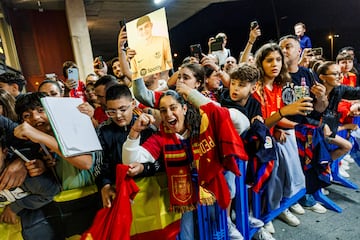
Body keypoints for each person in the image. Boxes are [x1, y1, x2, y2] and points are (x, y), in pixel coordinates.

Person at [123, 88, 249, 240]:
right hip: (185, 196)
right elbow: (130, 161)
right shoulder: (162, 137)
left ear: (184, 108)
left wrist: (195, 97)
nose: (168, 114)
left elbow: (242, 122)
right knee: (186, 235)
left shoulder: (205, 124)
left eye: (173, 107)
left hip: (211, 189)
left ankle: (227, 225)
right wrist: (135, 131)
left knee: (216, 227)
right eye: (163, 110)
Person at [252, 42, 312, 237]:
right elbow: (261, 125)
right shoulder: (255, 88)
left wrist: (295, 125)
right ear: (260, 63)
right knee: (275, 166)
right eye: (269, 60)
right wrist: (277, 123)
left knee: (295, 138)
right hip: (259, 142)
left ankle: (282, 205)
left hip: (274, 135)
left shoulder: (278, 85)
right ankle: (267, 213)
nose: (275, 64)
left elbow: (278, 118)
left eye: (278, 59)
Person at [95, 84, 159, 209]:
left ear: (133, 104)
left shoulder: (147, 128)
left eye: (123, 109)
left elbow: (158, 162)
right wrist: (105, 185)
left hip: (149, 194)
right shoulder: (103, 131)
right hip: (118, 194)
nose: (118, 116)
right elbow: (99, 166)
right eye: (111, 111)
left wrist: (142, 168)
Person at [130, 15, 173, 79]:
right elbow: (135, 74)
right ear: (138, 31)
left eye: (146, 26)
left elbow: (170, 63)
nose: (144, 31)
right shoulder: (134, 50)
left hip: (162, 82)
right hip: (146, 86)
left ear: (151, 25)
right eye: (141, 29)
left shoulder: (162, 41)